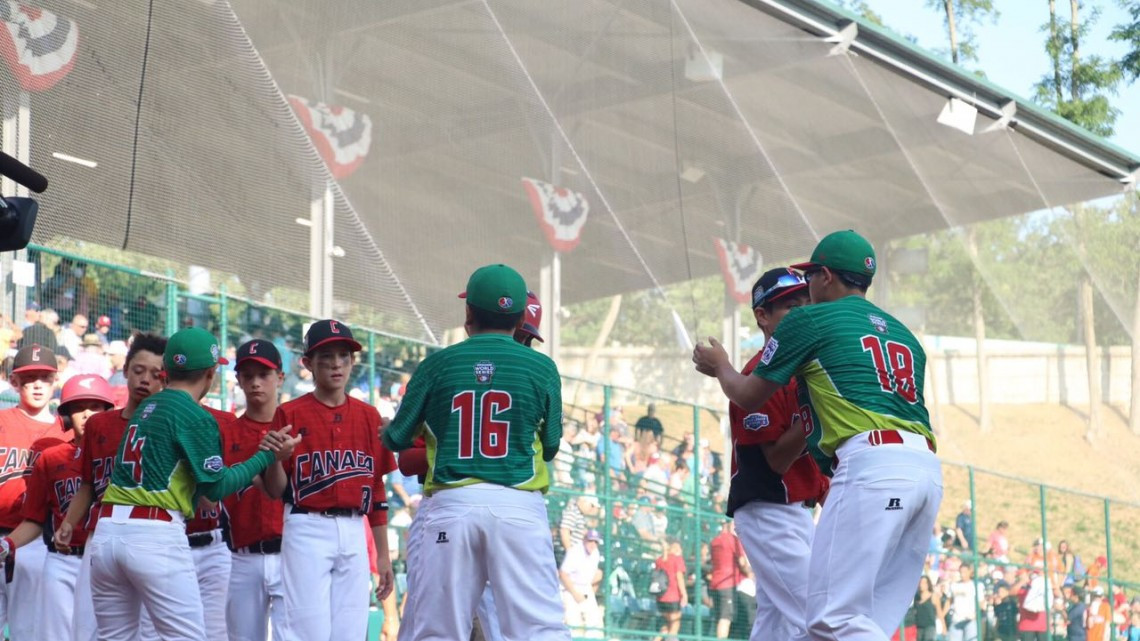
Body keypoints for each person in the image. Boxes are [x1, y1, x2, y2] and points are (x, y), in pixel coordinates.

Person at [693, 230, 941, 641]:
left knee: (831, 619)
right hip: (925, 472)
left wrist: (721, 367)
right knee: (860, 619)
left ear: (825, 276)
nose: (805, 297)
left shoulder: (811, 322)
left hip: (870, 465)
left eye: (808, 282)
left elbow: (749, 394)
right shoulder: (904, 334)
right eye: (791, 303)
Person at [383, 264, 568, 641]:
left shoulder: (437, 364)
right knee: (540, 629)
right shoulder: (542, 367)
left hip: (452, 504)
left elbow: (397, 439)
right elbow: (550, 445)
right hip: (518, 504)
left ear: (469, 313)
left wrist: (395, 428)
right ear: (521, 319)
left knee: (437, 630)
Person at [88, 327, 298, 640]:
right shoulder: (194, 415)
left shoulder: (146, 407)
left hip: (106, 533)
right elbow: (216, 488)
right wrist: (266, 457)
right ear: (211, 373)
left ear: (166, 370)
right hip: (153, 533)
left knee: (115, 637)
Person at [262, 319, 395, 641]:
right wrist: (276, 460)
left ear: (352, 361)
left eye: (343, 356)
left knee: (351, 632)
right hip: (306, 526)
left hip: (354, 528)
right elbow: (276, 490)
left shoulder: (369, 416)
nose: (336, 364)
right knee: (308, 631)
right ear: (308, 363)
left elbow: (376, 489)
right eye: (326, 356)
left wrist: (383, 555)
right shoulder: (289, 413)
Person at [724, 267, 829, 641]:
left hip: (797, 512)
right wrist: (814, 414)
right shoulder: (759, 374)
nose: (802, 313)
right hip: (768, 511)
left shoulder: (804, 373)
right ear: (762, 316)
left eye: (806, 303)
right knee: (821, 615)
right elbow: (775, 462)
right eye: (790, 306)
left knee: (777, 626)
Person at [56, 332, 166, 641]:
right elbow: (88, 485)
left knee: (148, 631)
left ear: (166, 379)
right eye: (138, 370)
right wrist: (69, 522)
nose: (145, 380)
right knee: (88, 625)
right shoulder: (99, 424)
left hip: (150, 533)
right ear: (125, 369)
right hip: (102, 533)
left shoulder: (168, 425)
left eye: (155, 374)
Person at [2, 374, 113, 640]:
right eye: (79, 407)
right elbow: (34, 519)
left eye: (95, 407)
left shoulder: (119, 455)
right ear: (65, 416)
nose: (87, 414)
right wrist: (8, 544)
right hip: (62, 561)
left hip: (103, 561)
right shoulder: (51, 458)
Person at [0, 344, 66, 640]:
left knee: (26, 629)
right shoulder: (2, 421)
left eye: (45, 377)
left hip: (34, 542)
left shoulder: (65, 432)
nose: (38, 384)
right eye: (29, 378)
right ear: (14, 382)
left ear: (56, 381)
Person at [222, 338, 287, 641]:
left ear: (280, 378)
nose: (256, 382)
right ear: (238, 380)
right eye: (248, 375)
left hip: (290, 554)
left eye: (264, 374)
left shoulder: (296, 429)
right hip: (242, 557)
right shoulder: (227, 434)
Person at [559, 529, 603, 638]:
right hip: (569, 588)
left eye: (596, 542)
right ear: (584, 540)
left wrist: (588, 595)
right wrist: (575, 593)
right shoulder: (575, 552)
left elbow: (590, 578)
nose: (593, 544)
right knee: (573, 624)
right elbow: (563, 574)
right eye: (590, 541)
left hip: (585, 588)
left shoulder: (596, 554)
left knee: (595, 625)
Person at [709, 520, 748, 639]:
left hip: (715, 583)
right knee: (725, 618)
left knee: (718, 617)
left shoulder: (715, 540)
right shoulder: (733, 540)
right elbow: (742, 562)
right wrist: (749, 574)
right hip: (727, 584)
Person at [653, 537, 687, 641]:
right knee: (674, 626)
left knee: (667, 626)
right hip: (673, 598)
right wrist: (684, 594)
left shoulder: (659, 560)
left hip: (660, 598)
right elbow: (679, 578)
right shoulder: (677, 559)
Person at [914, 576, 941, 641]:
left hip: (930, 627)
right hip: (919, 627)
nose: (921, 584)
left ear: (928, 584)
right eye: (920, 582)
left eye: (924, 583)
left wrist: (943, 627)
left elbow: (939, 612)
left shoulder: (933, 596)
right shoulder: (916, 597)